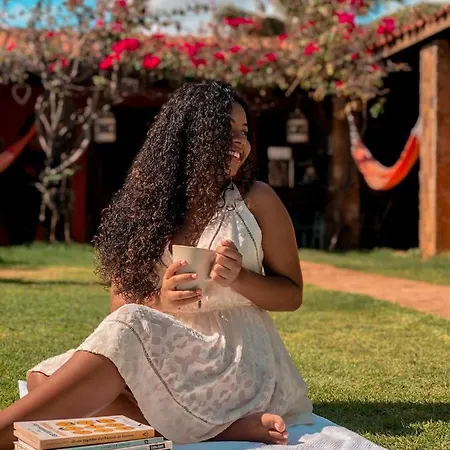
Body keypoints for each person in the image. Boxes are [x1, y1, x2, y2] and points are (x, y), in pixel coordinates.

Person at [0, 81, 314, 449]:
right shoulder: (150, 204)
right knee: (44, 379)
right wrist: (161, 300)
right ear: (191, 136)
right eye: (225, 130)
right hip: (167, 351)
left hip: (233, 357)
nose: (239, 142)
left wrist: (240, 278)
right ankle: (218, 428)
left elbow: (292, 294)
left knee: (77, 382)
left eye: (244, 132)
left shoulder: (257, 199)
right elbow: (119, 305)